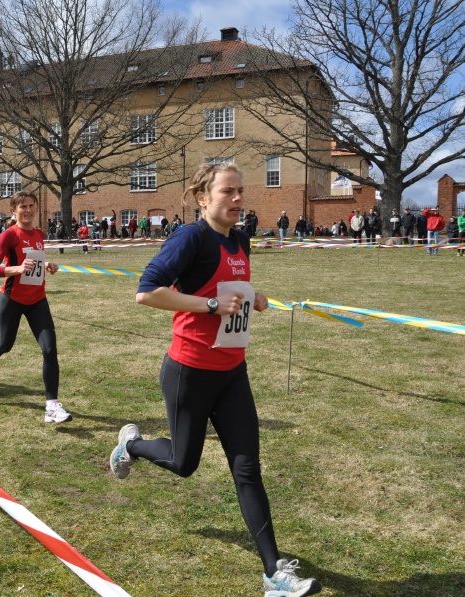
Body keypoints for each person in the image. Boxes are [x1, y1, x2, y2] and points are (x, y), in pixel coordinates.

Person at [108, 162, 321, 597]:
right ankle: (129, 445)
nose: (238, 199)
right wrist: (208, 306)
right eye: (228, 192)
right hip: (190, 370)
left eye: (241, 191)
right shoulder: (190, 237)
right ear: (203, 197)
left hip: (232, 373)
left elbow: (231, 293)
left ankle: (273, 574)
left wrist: (252, 299)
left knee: (248, 469)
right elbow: (146, 292)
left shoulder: (240, 240)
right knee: (184, 464)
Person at [0, 190, 71, 424]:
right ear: (14, 210)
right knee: (5, 344)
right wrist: (16, 269)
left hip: (37, 299)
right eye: (23, 207)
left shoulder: (38, 233)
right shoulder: (8, 235)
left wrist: (46, 264)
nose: (28, 210)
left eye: (31, 206)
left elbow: (33, 262)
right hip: (12, 299)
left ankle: (52, 407)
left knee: (50, 349)